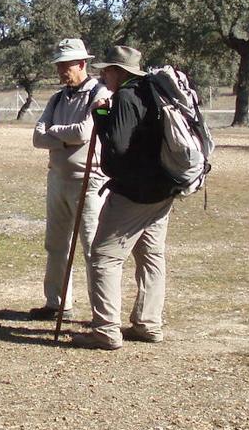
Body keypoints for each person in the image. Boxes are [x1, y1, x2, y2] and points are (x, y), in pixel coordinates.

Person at [72, 44, 177, 350]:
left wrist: (102, 118)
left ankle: (105, 330)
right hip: (164, 189)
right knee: (151, 257)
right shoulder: (154, 93)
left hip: (135, 192)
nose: (103, 75)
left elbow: (116, 149)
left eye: (107, 70)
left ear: (119, 72)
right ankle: (148, 324)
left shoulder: (127, 97)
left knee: (104, 257)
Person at [30, 38, 110, 321]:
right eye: (59, 65)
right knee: (56, 245)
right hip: (58, 179)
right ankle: (56, 303)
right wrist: (60, 138)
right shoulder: (58, 97)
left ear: (82, 64)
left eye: (67, 65)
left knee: (92, 248)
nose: (62, 70)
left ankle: (102, 314)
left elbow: (83, 133)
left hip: (89, 182)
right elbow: (37, 137)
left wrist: (55, 133)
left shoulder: (99, 93)